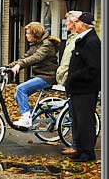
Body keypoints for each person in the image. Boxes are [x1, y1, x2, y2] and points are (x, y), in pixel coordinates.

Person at [8, 22, 60, 128]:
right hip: (40, 75)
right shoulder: (35, 45)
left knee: (21, 89)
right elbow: (25, 57)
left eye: (28, 34)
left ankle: (27, 118)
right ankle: (32, 116)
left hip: (48, 76)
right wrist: (8, 67)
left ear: (35, 34)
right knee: (17, 95)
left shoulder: (47, 44)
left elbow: (36, 57)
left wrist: (19, 65)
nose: (26, 36)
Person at [65, 12, 100, 163]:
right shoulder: (83, 40)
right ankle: (79, 150)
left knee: (85, 121)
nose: (74, 25)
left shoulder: (91, 42)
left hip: (85, 89)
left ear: (82, 25)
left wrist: (74, 78)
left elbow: (93, 68)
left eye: (76, 23)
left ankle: (87, 153)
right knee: (78, 121)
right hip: (77, 89)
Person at [55, 11, 80, 157]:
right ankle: (75, 144)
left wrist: (66, 75)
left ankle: (77, 145)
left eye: (68, 21)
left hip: (72, 81)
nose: (65, 24)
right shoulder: (71, 39)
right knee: (72, 114)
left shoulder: (77, 40)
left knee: (75, 115)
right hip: (67, 79)